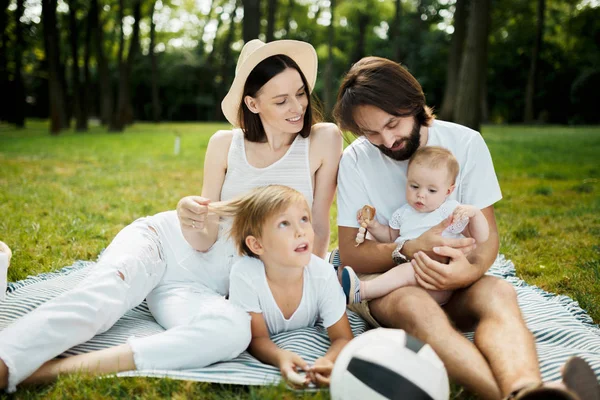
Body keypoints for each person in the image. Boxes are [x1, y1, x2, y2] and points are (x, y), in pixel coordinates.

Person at [0, 39, 342, 392]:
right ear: (252, 104)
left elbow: (317, 224)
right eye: (281, 100)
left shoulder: (322, 140)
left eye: (300, 93)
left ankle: (59, 370)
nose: (297, 107)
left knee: (231, 333)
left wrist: (308, 289)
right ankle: (6, 363)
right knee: (103, 297)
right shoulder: (225, 144)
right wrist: (187, 213)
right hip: (163, 244)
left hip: (200, 290)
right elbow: (203, 237)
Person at [333, 56, 598, 400]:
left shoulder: (466, 143)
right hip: (392, 281)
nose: (386, 140)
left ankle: (524, 387)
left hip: (457, 272)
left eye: (393, 124)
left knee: (499, 294)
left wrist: (464, 274)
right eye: (370, 132)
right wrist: (408, 249)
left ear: (413, 104)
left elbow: (487, 241)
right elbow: (352, 256)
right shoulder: (355, 161)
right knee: (416, 307)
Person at [210, 185, 352, 387]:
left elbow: (343, 338)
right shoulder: (246, 275)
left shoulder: (323, 274)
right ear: (257, 245)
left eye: (304, 219)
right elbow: (256, 337)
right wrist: (280, 358)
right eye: (284, 223)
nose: (300, 231)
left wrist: (328, 361)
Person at [341, 146, 489, 306]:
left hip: (439, 275)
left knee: (407, 271)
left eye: (431, 190)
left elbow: (481, 237)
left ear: (448, 191)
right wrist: (373, 225)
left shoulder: (450, 211)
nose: (421, 194)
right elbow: (391, 238)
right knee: (400, 282)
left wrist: (475, 213)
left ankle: (362, 291)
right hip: (412, 277)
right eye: (414, 186)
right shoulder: (404, 213)